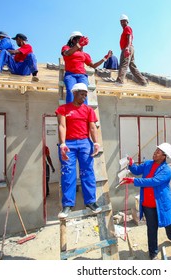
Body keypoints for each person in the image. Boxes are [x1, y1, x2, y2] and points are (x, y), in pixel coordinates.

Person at [120, 143, 171, 260]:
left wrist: (133, 181)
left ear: (164, 156)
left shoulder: (166, 170)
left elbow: (153, 181)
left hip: (162, 203)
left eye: (158, 152)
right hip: (148, 203)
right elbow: (137, 170)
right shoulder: (148, 164)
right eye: (155, 150)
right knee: (151, 229)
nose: (155, 153)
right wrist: (131, 164)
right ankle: (153, 253)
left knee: (168, 221)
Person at [56, 83, 101, 218]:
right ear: (74, 93)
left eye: (86, 95)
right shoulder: (63, 109)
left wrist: (96, 142)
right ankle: (68, 205)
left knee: (87, 172)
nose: (84, 97)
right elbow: (62, 125)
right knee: (68, 173)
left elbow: (93, 128)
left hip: (84, 143)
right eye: (82, 94)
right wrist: (62, 143)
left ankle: (91, 202)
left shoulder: (88, 110)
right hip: (69, 143)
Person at [62, 31, 112, 104]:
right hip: (70, 75)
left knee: (83, 93)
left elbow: (93, 65)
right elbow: (67, 53)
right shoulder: (66, 48)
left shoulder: (84, 54)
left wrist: (104, 59)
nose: (81, 41)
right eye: (79, 39)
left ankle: (83, 112)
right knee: (70, 91)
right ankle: (70, 111)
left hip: (82, 76)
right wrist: (79, 45)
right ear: (73, 40)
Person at [115, 14, 148, 87]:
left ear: (127, 22)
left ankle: (120, 81)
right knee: (132, 66)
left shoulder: (127, 28)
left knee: (124, 64)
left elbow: (129, 37)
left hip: (127, 48)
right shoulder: (125, 29)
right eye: (121, 22)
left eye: (124, 21)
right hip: (130, 48)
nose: (122, 23)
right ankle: (143, 82)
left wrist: (127, 47)